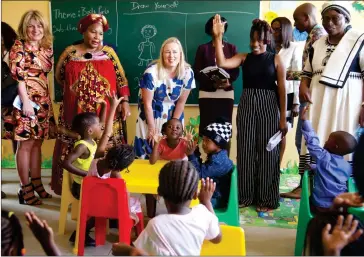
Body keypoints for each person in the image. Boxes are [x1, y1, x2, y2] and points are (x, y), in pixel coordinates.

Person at [213, 15, 287, 211]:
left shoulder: (276, 59)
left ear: (267, 40)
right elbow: (222, 63)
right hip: (246, 105)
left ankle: (266, 198)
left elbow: (282, 91)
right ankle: (245, 196)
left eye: (259, 40)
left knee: (268, 153)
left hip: (270, 107)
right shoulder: (244, 58)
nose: (255, 44)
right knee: (245, 150)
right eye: (252, 39)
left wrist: (282, 118)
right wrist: (218, 37)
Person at [51, 14, 131, 195]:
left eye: (100, 34)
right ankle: (75, 190)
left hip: (106, 113)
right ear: (83, 31)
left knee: (107, 152)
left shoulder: (109, 53)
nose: (97, 37)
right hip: (76, 114)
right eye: (92, 32)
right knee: (77, 152)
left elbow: (122, 80)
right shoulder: (70, 53)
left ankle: (110, 190)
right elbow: (59, 78)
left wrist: (124, 101)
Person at [298, 1, 364, 199]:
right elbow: (307, 72)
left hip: (347, 101)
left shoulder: (358, 41)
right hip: (318, 98)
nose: (329, 23)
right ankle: (310, 187)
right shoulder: (317, 43)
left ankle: (344, 190)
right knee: (316, 136)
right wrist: (303, 85)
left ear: (346, 18)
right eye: (326, 18)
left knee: (342, 139)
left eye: (335, 18)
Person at [134, 37, 195, 217]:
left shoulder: (187, 73)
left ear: (180, 54)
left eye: (175, 52)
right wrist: (153, 130)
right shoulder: (151, 72)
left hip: (173, 118)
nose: (171, 56)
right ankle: (150, 210)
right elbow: (147, 103)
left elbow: (181, 103)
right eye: (167, 52)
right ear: (162, 53)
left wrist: (173, 128)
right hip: (150, 118)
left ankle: (174, 207)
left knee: (175, 162)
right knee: (149, 161)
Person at [4, 10, 56, 205]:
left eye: (40, 25)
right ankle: (24, 188)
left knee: (37, 143)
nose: (36, 29)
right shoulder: (19, 46)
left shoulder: (46, 47)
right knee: (25, 144)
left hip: (42, 100)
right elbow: (19, 77)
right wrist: (25, 101)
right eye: (31, 26)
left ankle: (37, 184)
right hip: (25, 101)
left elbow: (44, 73)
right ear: (25, 28)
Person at [281, 2, 328, 199]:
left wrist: (283, 73)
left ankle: (304, 185)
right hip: (308, 95)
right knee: (302, 140)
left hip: (311, 97)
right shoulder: (312, 37)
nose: (295, 23)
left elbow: (312, 73)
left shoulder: (318, 37)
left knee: (304, 140)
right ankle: (304, 183)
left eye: (297, 19)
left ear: (307, 18)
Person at [63, 93, 123, 246]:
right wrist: (86, 174)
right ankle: (80, 233)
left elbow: (102, 122)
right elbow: (66, 163)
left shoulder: (91, 140)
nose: (101, 127)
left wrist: (104, 106)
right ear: (90, 130)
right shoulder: (83, 145)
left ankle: (114, 219)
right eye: (98, 126)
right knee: (104, 203)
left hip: (90, 182)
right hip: (81, 186)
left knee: (112, 193)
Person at [131, 161, 222, 255]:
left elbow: (138, 253)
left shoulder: (156, 224)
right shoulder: (202, 214)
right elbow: (217, 238)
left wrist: (128, 250)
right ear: (195, 194)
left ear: (159, 192)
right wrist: (206, 202)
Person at [300, 105, 357, 213]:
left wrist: (305, 121)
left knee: (310, 202)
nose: (325, 141)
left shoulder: (324, 157)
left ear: (335, 146)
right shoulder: (347, 166)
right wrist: (315, 167)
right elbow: (330, 174)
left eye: (329, 139)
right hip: (340, 207)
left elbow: (313, 142)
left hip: (321, 206)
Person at [193, 16, 239, 146]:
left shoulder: (232, 48)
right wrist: (212, 83)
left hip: (226, 94)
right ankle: (206, 162)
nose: (220, 27)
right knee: (206, 128)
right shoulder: (203, 48)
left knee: (225, 129)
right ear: (210, 28)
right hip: (207, 93)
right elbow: (197, 71)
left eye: (222, 24)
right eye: (216, 24)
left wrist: (228, 82)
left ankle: (223, 162)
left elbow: (235, 70)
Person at [270, 17, 305, 165]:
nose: (275, 32)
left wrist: (296, 102)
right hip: (269, 92)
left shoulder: (294, 47)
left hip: (288, 95)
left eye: (278, 29)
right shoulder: (268, 47)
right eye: (273, 29)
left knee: (281, 131)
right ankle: (268, 164)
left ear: (286, 30)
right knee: (269, 128)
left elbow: (297, 75)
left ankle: (277, 166)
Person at [186, 119, 234, 208]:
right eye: (203, 140)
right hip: (212, 195)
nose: (203, 143)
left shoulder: (219, 162)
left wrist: (191, 155)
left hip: (216, 200)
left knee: (185, 199)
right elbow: (201, 168)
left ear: (218, 143)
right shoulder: (218, 156)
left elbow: (198, 174)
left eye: (207, 140)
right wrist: (195, 151)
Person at [1, 22, 18, 199]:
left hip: (13, 104)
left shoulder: (12, 54)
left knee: (16, 140)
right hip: (3, 105)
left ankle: (23, 180)